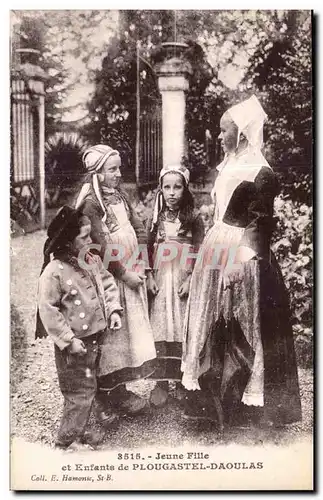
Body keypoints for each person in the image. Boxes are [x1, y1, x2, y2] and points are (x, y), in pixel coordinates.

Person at [181, 95, 302, 429]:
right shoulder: (228, 167)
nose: (219, 137)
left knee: (244, 323)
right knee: (211, 319)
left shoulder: (261, 173)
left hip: (244, 258)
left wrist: (237, 261)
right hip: (215, 253)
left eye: (224, 131)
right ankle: (212, 405)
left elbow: (260, 223)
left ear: (244, 134)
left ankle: (247, 408)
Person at [75, 145, 156, 416]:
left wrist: (143, 261)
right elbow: (99, 246)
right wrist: (124, 274)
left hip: (133, 269)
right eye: (112, 169)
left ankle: (119, 390)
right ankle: (105, 395)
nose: (118, 174)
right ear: (97, 173)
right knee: (114, 335)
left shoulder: (120, 196)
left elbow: (138, 226)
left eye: (119, 168)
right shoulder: (91, 204)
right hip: (113, 277)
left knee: (130, 336)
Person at [36, 206, 123, 450]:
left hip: (94, 339)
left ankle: (78, 431)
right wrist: (67, 339)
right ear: (67, 241)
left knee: (88, 386)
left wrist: (114, 309)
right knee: (78, 392)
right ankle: (67, 441)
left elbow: (107, 282)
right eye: (84, 237)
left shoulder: (91, 259)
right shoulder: (54, 273)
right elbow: (48, 310)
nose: (90, 240)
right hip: (74, 346)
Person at [146, 165, 205, 407]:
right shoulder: (156, 218)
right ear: (160, 189)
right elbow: (147, 249)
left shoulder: (194, 219)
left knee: (182, 325)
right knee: (160, 325)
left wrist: (191, 279)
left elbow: (201, 251)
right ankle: (160, 383)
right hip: (161, 281)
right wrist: (149, 276)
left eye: (177, 187)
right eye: (167, 187)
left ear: (185, 189)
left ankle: (181, 380)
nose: (172, 192)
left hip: (182, 279)